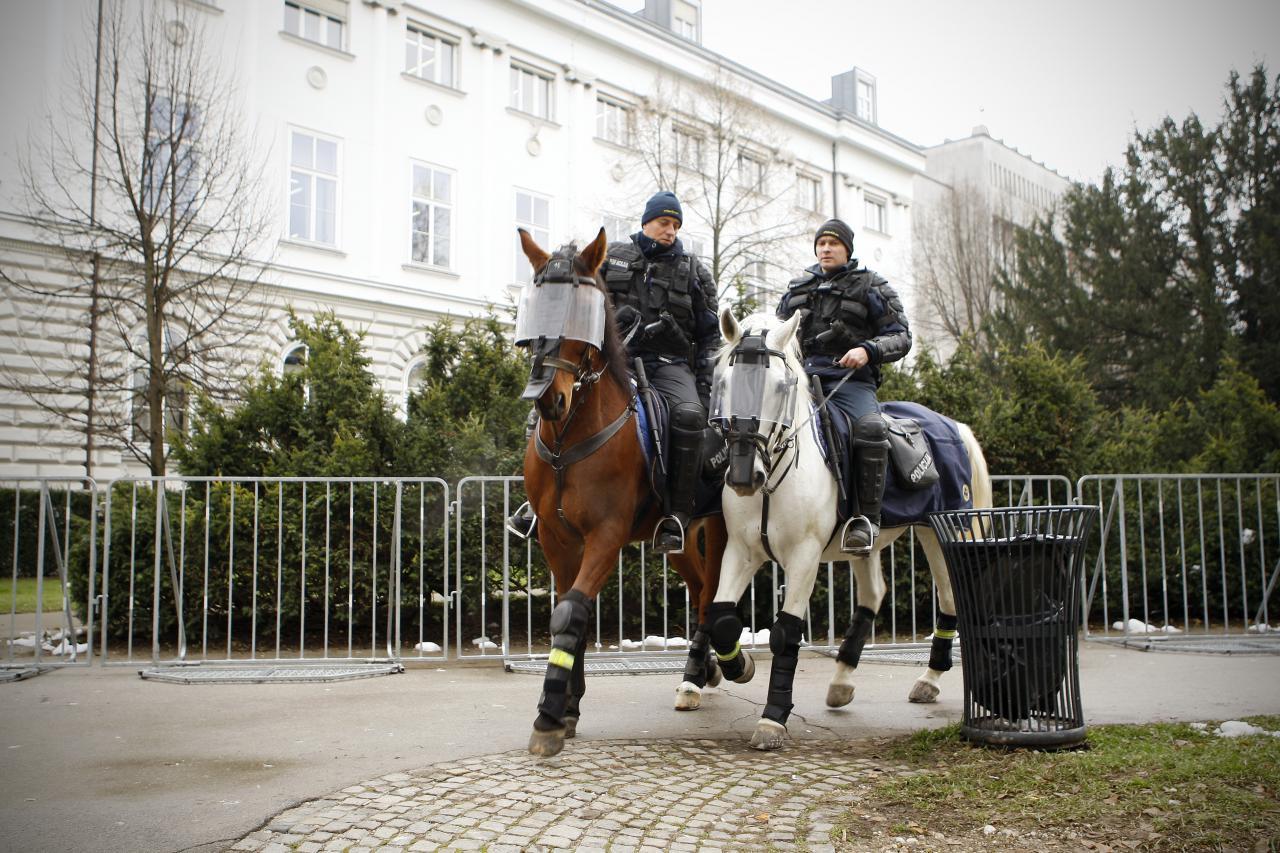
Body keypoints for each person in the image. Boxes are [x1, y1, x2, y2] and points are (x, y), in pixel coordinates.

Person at [509, 191, 720, 554]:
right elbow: (582, 294)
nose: (669, 230)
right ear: (646, 223)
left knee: (687, 417)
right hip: (614, 360)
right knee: (547, 401)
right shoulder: (616, 258)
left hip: (668, 366)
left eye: (675, 225)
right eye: (663, 223)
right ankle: (535, 505)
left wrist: (702, 389)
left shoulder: (694, 271)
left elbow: (709, 335)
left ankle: (675, 516)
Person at [776, 218, 911, 554]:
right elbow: (777, 334)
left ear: (846, 249)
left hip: (851, 381)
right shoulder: (797, 288)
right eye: (821, 243)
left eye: (833, 243)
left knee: (870, 429)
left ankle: (865, 520)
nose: (825, 248)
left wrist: (868, 350)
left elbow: (902, 335)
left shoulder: (871, 285)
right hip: (802, 379)